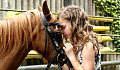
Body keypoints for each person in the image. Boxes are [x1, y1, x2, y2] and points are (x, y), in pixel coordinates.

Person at [57, 5, 101, 70]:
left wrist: (72, 57)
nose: (61, 31)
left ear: (75, 24)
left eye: (63, 27)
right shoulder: (76, 44)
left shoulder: (87, 45)